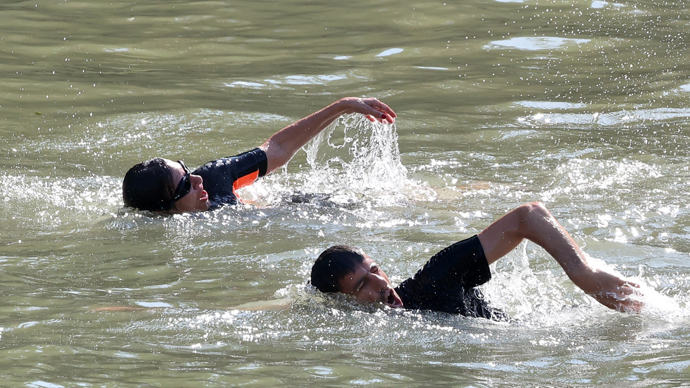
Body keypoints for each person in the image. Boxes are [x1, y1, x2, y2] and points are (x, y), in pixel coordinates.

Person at [310, 202, 643, 319]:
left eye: (375, 269)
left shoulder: (433, 281)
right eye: (362, 285)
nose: (382, 283)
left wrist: (584, 272)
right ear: (342, 302)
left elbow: (527, 216)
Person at [122, 97, 397, 213]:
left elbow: (277, 148)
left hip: (304, 205)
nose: (197, 181)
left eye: (186, 170)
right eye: (185, 185)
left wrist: (343, 106)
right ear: (161, 210)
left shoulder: (214, 176)